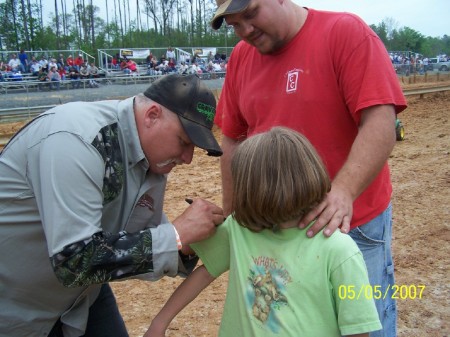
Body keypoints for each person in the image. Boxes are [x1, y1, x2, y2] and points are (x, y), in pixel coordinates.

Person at [210, 1, 407, 336]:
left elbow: (380, 121)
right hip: (277, 231)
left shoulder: (344, 33)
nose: (244, 31)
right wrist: (234, 213)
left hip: (349, 224)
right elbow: (233, 139)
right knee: (289, 321)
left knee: (366, 322)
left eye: (251, 13)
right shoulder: (242, 57)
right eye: (234, 24)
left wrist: (343, 191)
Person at [0, 74, 224, 337]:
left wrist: (185, 245)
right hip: (16, 309)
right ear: (152, 115)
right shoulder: (76, 140)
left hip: (82, 299)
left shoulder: (151, 160)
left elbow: (137, 238)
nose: (187, 159)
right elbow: (74, 261)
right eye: (184, 142)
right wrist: (175, 236)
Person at [145, 127, 382, 337]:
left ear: (254, 192)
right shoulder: (240, 228)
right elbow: (205, 272)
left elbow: (358, 328)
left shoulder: (339, 250)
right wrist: (159, 323)